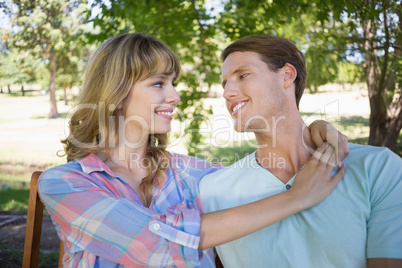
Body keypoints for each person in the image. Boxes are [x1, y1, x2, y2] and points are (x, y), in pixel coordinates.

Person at [38, 33, 347, 268]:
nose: (175, 95)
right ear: (116, 93)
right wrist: (297, 198)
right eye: (159, 83)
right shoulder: (63, 184)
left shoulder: (192, 174)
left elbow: (260, 180)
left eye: (174, 83)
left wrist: (312, 132)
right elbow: (154, 242)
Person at [200, 35, 402, 268]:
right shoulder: (212, 190)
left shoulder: (377, 168)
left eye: (243, 75)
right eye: (225, 83)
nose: (227, 93)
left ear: (286, 75)